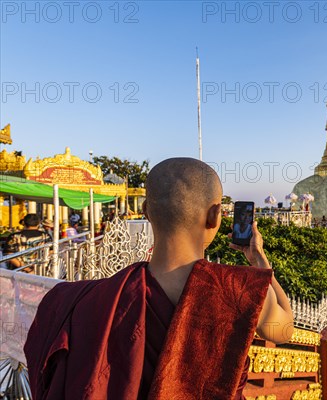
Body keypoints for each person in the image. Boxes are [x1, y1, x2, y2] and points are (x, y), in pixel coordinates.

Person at [24, 158, 294, 399]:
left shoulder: (90, 299)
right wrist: (259, 261)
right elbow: (283, 330)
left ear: (146, 211)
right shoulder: (239, 287)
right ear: (215, 217)